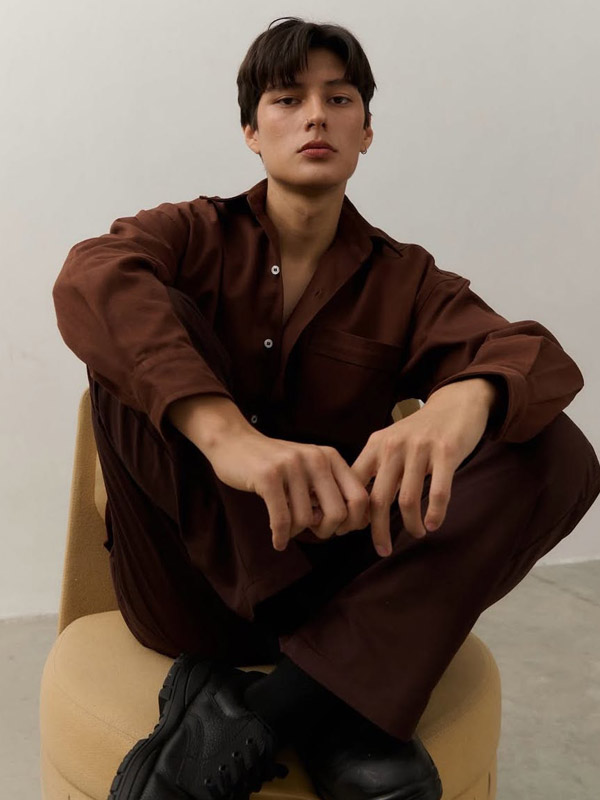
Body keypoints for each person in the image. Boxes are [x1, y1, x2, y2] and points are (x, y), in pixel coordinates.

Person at [52, 15, 600, 800]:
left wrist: (463, 402)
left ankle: (277, 707)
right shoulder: (192, 234)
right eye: (288, 99)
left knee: (558, 450)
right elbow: (90, 276)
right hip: (183, 585)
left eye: (339, 99)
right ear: (252, 131)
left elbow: (533, 357)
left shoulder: (405, 279)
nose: (316, 116)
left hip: (330, 588)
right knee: (136, 316)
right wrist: (228, 437)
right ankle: (347, 694)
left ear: (366, 131)